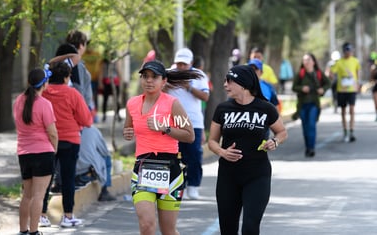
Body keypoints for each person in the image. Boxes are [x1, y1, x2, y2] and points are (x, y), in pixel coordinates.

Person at [207, 64, 287, 235]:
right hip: (228, 176)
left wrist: (274, 141)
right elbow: (212, 141)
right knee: (228, 230)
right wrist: (223, 152)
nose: (225, 85)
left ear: (242, 84)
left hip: (257, 175)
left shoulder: (265, 108)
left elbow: (281, 132)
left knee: (250, 227)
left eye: (229, 81)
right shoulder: (223, 109)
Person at [123, 60, 200, 235]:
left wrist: (164, 128)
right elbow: (129, 128)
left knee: (168, 231)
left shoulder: (172, 104)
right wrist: (127, 133)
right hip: (143, 169)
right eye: (145, 76)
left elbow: (189, 135)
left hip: (170, 170)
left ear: (163, 81)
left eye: (154, 77)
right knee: (147, 225)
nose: (149, 81)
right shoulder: (132, 104)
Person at [42, 61, 93, 227]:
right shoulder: (73, 94)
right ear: (66, 77)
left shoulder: (43, 93)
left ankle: (41, 215)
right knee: (68, 178)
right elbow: (86, 119)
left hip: (47, 141)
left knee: (45, 178)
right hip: (70, 141)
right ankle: (68, 216)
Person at [13, 68, 58, 235]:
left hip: (24, 153)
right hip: (43, 153)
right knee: (39, 196)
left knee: (27, 195)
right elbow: (52, 132)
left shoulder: (18, 101)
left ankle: (23, 230)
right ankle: (34, 232)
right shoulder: (45, 104)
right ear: (44, 84)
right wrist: (55, 150)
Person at [167, 48, 210, 199]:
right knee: (174, 156)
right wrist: (167, 85)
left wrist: (189, 87)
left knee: (194, 155)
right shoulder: (167, 74)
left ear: (191, 63)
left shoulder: (199, 75)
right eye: (179, 64)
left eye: (184, 64)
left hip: (193, 122)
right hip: (173, 121)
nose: (181, 67)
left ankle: (193, 186)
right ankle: (179, 186)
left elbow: (205, 96)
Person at [292, 53, 331, 157]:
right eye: (304, 60)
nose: (307, 62)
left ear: (313, 62)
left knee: (311, 125)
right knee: (305, 127)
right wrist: (302, 88)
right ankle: (307, 147)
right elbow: (294, 87)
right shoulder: (300, 74)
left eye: (309, 60)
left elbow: (328, 83)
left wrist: (322, 89)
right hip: (302, 104)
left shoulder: (318, 73)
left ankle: (312, 148)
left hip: (314, 104)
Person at [75, 126, 116, 201]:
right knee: (107, 158)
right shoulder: (93, 130)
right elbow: (104, 151)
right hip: (86, 171)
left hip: (68, 171)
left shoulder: (67, 129)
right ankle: (104, 191)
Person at [331, 42, 361, 142]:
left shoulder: (355, 61)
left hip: (352, 90)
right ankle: (345, 131)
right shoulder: (339, 62)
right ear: (343, 52)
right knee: (343, 111)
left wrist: (358, 84)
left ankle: (352, 131)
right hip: (342, 90)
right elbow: (332, 72)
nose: (348, 53)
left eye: (350, 51)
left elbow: (357, 73)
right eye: (346, 51)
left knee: (352, 110)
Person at [81, 46, 103, 114]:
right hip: (85, 80)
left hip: (94, 79)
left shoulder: (97, 55)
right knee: (87, 96)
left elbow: (100, 68)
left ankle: (95, 113)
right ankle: (87, 112)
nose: (89, 48)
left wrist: (100, 81)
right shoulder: (82, 55)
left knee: (95, 96)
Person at [100, 54, 122, 122]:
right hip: (106, 82)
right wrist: (100, 83)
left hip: (115, 82)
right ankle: (104, 115)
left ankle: (117, 114)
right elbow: (101, 73)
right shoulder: (103, 62)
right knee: (105, 100)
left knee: (116, 100)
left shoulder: (115, 61)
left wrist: (120, 81)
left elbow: (119, 72)